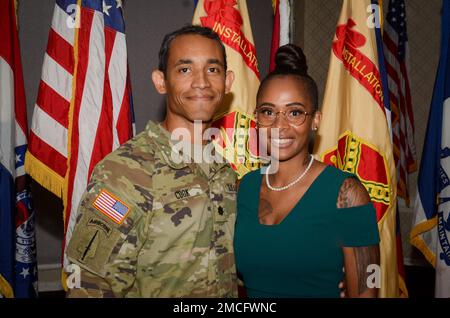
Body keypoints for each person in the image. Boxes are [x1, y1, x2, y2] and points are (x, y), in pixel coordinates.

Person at [65, 25, 237, 297]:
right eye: (184, 69)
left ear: (227, 82)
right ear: (160, 81)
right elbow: (90, 286)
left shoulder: (224, 173)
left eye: (212, 69)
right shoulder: (125, 172)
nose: (201, 81)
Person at [233, 44, 380, 298]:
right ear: (256, 119)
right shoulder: (242, 188)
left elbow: (368, 290)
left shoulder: (346, 194)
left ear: (315, 120)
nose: (280, 125)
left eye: (295, 113)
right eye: (268, 112)